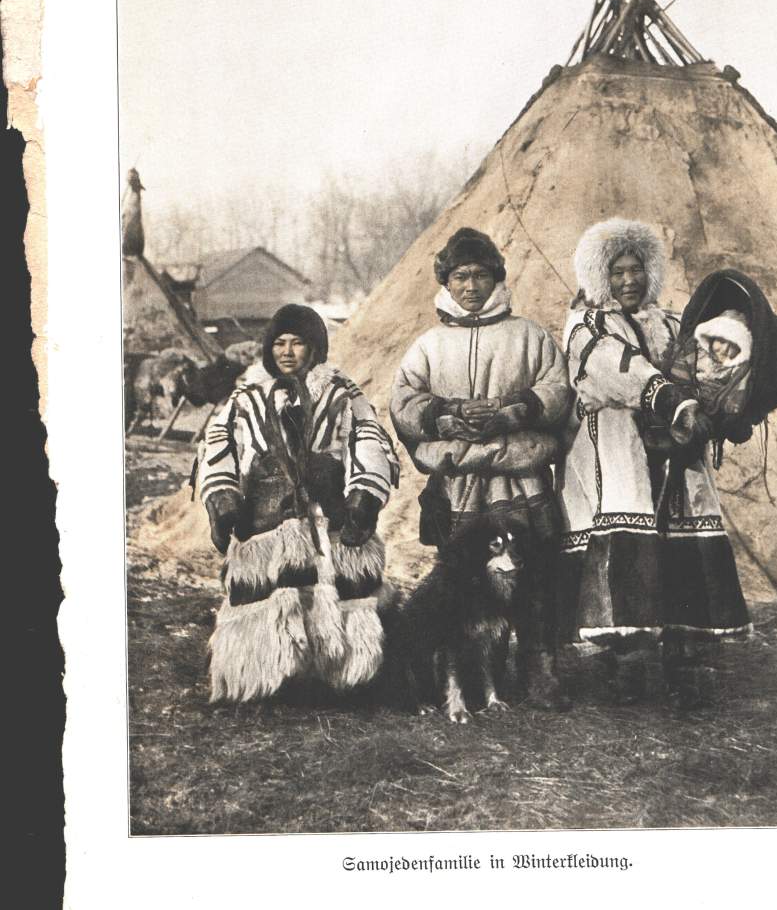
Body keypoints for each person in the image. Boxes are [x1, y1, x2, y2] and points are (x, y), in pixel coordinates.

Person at [556, 219, 751, 706]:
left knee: (677, 542)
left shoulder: (667, 323)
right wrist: (673, 402)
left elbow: (695, 365)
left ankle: (682, 654)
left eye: (637, 269)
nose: (629, 280)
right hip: (616, 451)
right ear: (600, 275)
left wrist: (721, 406)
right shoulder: (588, 326)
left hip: (675, 455)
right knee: (625, 546)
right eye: (618, 271)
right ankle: (624, 660)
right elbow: (614, 370)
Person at [390, 227, 573, 709]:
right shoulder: (429, 346)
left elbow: (558, 389)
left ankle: (538, 672)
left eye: (480, 275)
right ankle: (470, 677)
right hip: (461, 483)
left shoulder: (530, 336)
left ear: (497, 278)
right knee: (466, 583)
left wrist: (516, 410)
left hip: (519, 478)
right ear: (445, 283)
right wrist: (445, 415)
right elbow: (404, 401)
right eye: (459, 277)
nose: (470, 287)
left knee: (531, 577)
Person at [197, 303, 400, 704]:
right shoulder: (246, 396)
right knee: (269, 595)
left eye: (298, 344)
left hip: (327, 513)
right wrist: (222, 497)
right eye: (279, 344)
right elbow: (218, 444)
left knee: (335, 590)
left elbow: (370, 440)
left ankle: (338, 677)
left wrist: (362, 494)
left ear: (316, 349)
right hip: (265, 516)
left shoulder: (341, 393)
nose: (287, 352)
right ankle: (264, 676)